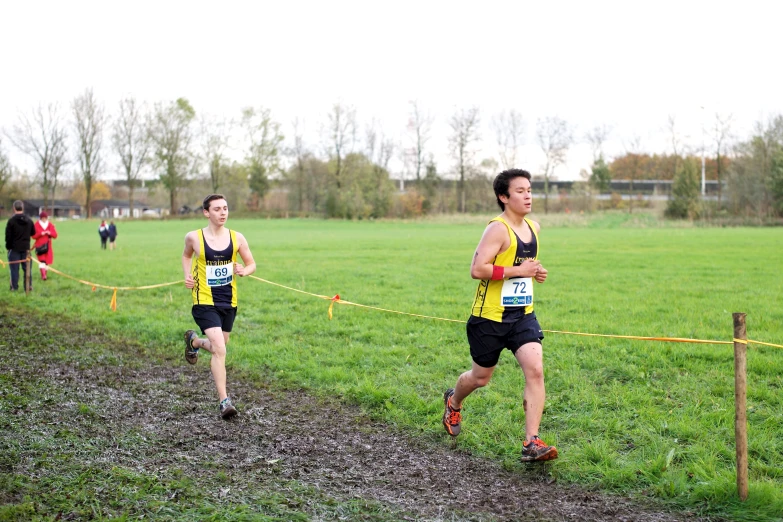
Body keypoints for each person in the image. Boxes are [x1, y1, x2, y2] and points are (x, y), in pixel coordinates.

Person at [442, 169, 558, 462]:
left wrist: (536, 271)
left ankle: (532, 442)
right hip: (489, 318)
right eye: (520, 191)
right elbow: (478, 270)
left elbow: (524, 264)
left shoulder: (535, 228)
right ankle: (454, 401)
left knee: (535, 369)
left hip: (523, 316)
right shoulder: (497, 229)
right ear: (503, 197)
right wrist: (521, 271)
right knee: (480, 378)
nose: (528, 195)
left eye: (529, 189)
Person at [181, 194, 256, 420]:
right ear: (206, 212)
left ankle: (193, 341)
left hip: (228, 301)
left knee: (219, 346)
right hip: (204, 300)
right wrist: (187, 275)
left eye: (225, 208)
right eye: (217, 209)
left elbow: (252, 263)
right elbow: (186, 256)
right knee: (220, 349)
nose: (222, 212)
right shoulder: (194, 237)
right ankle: (224, 401)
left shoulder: (237, 238)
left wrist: (244, 270)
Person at [4, 200, 36, 291]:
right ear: (23, 208)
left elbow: (8, 237)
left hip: (14, 249)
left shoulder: (11, 221)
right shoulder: (29, 221)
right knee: (27, 269)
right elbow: (33, 232)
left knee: (14, 269)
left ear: (14, 208)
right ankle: (28, 286)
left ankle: (14, 287)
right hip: (26, 248)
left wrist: (8, 247)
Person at [32, 211, 58, 281]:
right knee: (42, 261)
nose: (44, 219)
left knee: (46, 262)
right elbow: (33, 236)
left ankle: (44, 274)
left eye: (45, 218)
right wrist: (41, 233)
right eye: (42, 218)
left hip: (48, 247)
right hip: (39, 246)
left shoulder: (50, 225)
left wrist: (50, 233)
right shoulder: (36, 225)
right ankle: (43, 276)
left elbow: (55, 235)